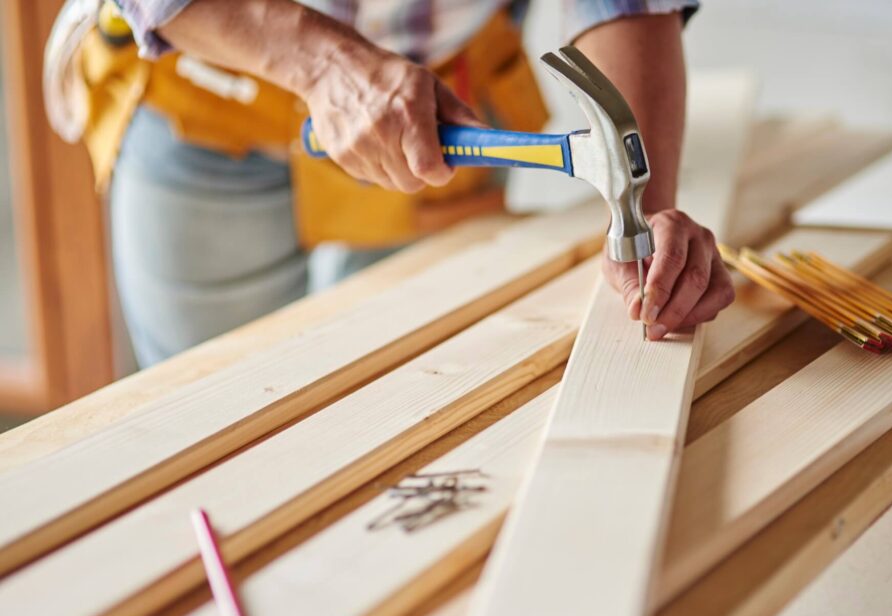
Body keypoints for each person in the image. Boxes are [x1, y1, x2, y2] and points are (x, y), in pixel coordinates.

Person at [56, 0, 734, 367]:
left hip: (430, 107)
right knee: (207, 411)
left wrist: (644, 220)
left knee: (401, 392)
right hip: (207, 95)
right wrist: (323, 66)